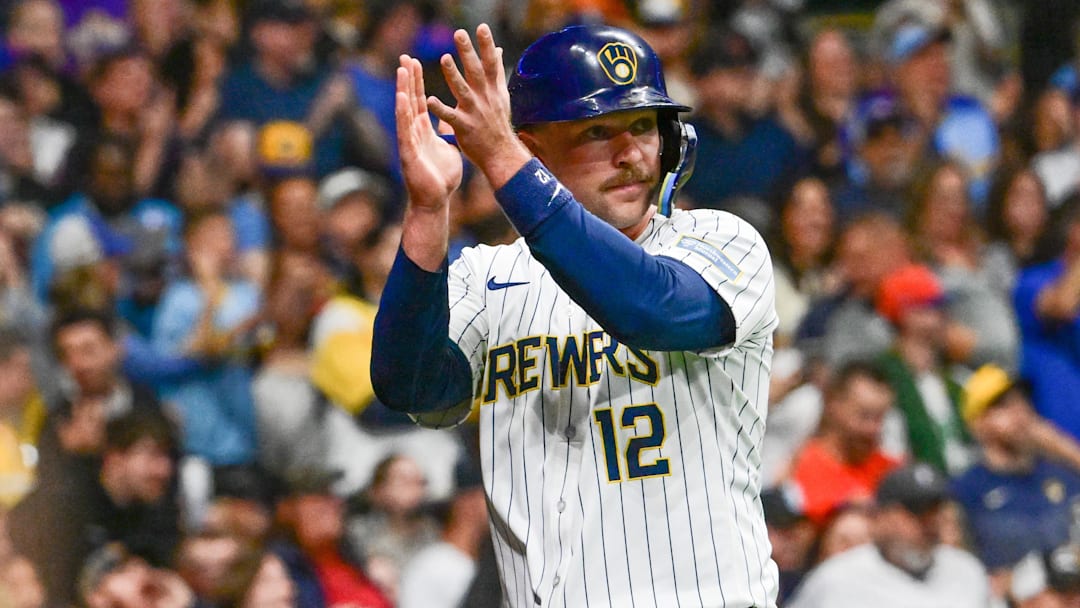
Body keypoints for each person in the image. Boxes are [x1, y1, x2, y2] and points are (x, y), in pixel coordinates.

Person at [371, 23, 779, 607]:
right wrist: (429, 212)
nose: (631, 152)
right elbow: (412, 387)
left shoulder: (719, 242)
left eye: (643, 125)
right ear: (535, 148)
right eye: (597, 130)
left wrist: (502, 160)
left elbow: (652, 309)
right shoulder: (487, 278)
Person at [952, 364, 1080, 598]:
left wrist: (1062, 448)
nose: (1020, 412)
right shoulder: (966, 489)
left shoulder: (1060, 474)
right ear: (977, 423)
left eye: (1022, 402)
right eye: (1003, 406)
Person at [788, 462, 992, 608]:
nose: (929, 523)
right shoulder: (836, 579)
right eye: (918, 511)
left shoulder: (967, 571)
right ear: (881, 516)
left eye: (936, 510)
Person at [789, 361, 902, 525]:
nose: (873, 429)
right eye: (864, 416)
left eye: (880, 418)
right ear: (833, 404)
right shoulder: (799, 465)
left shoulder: (892, 471)